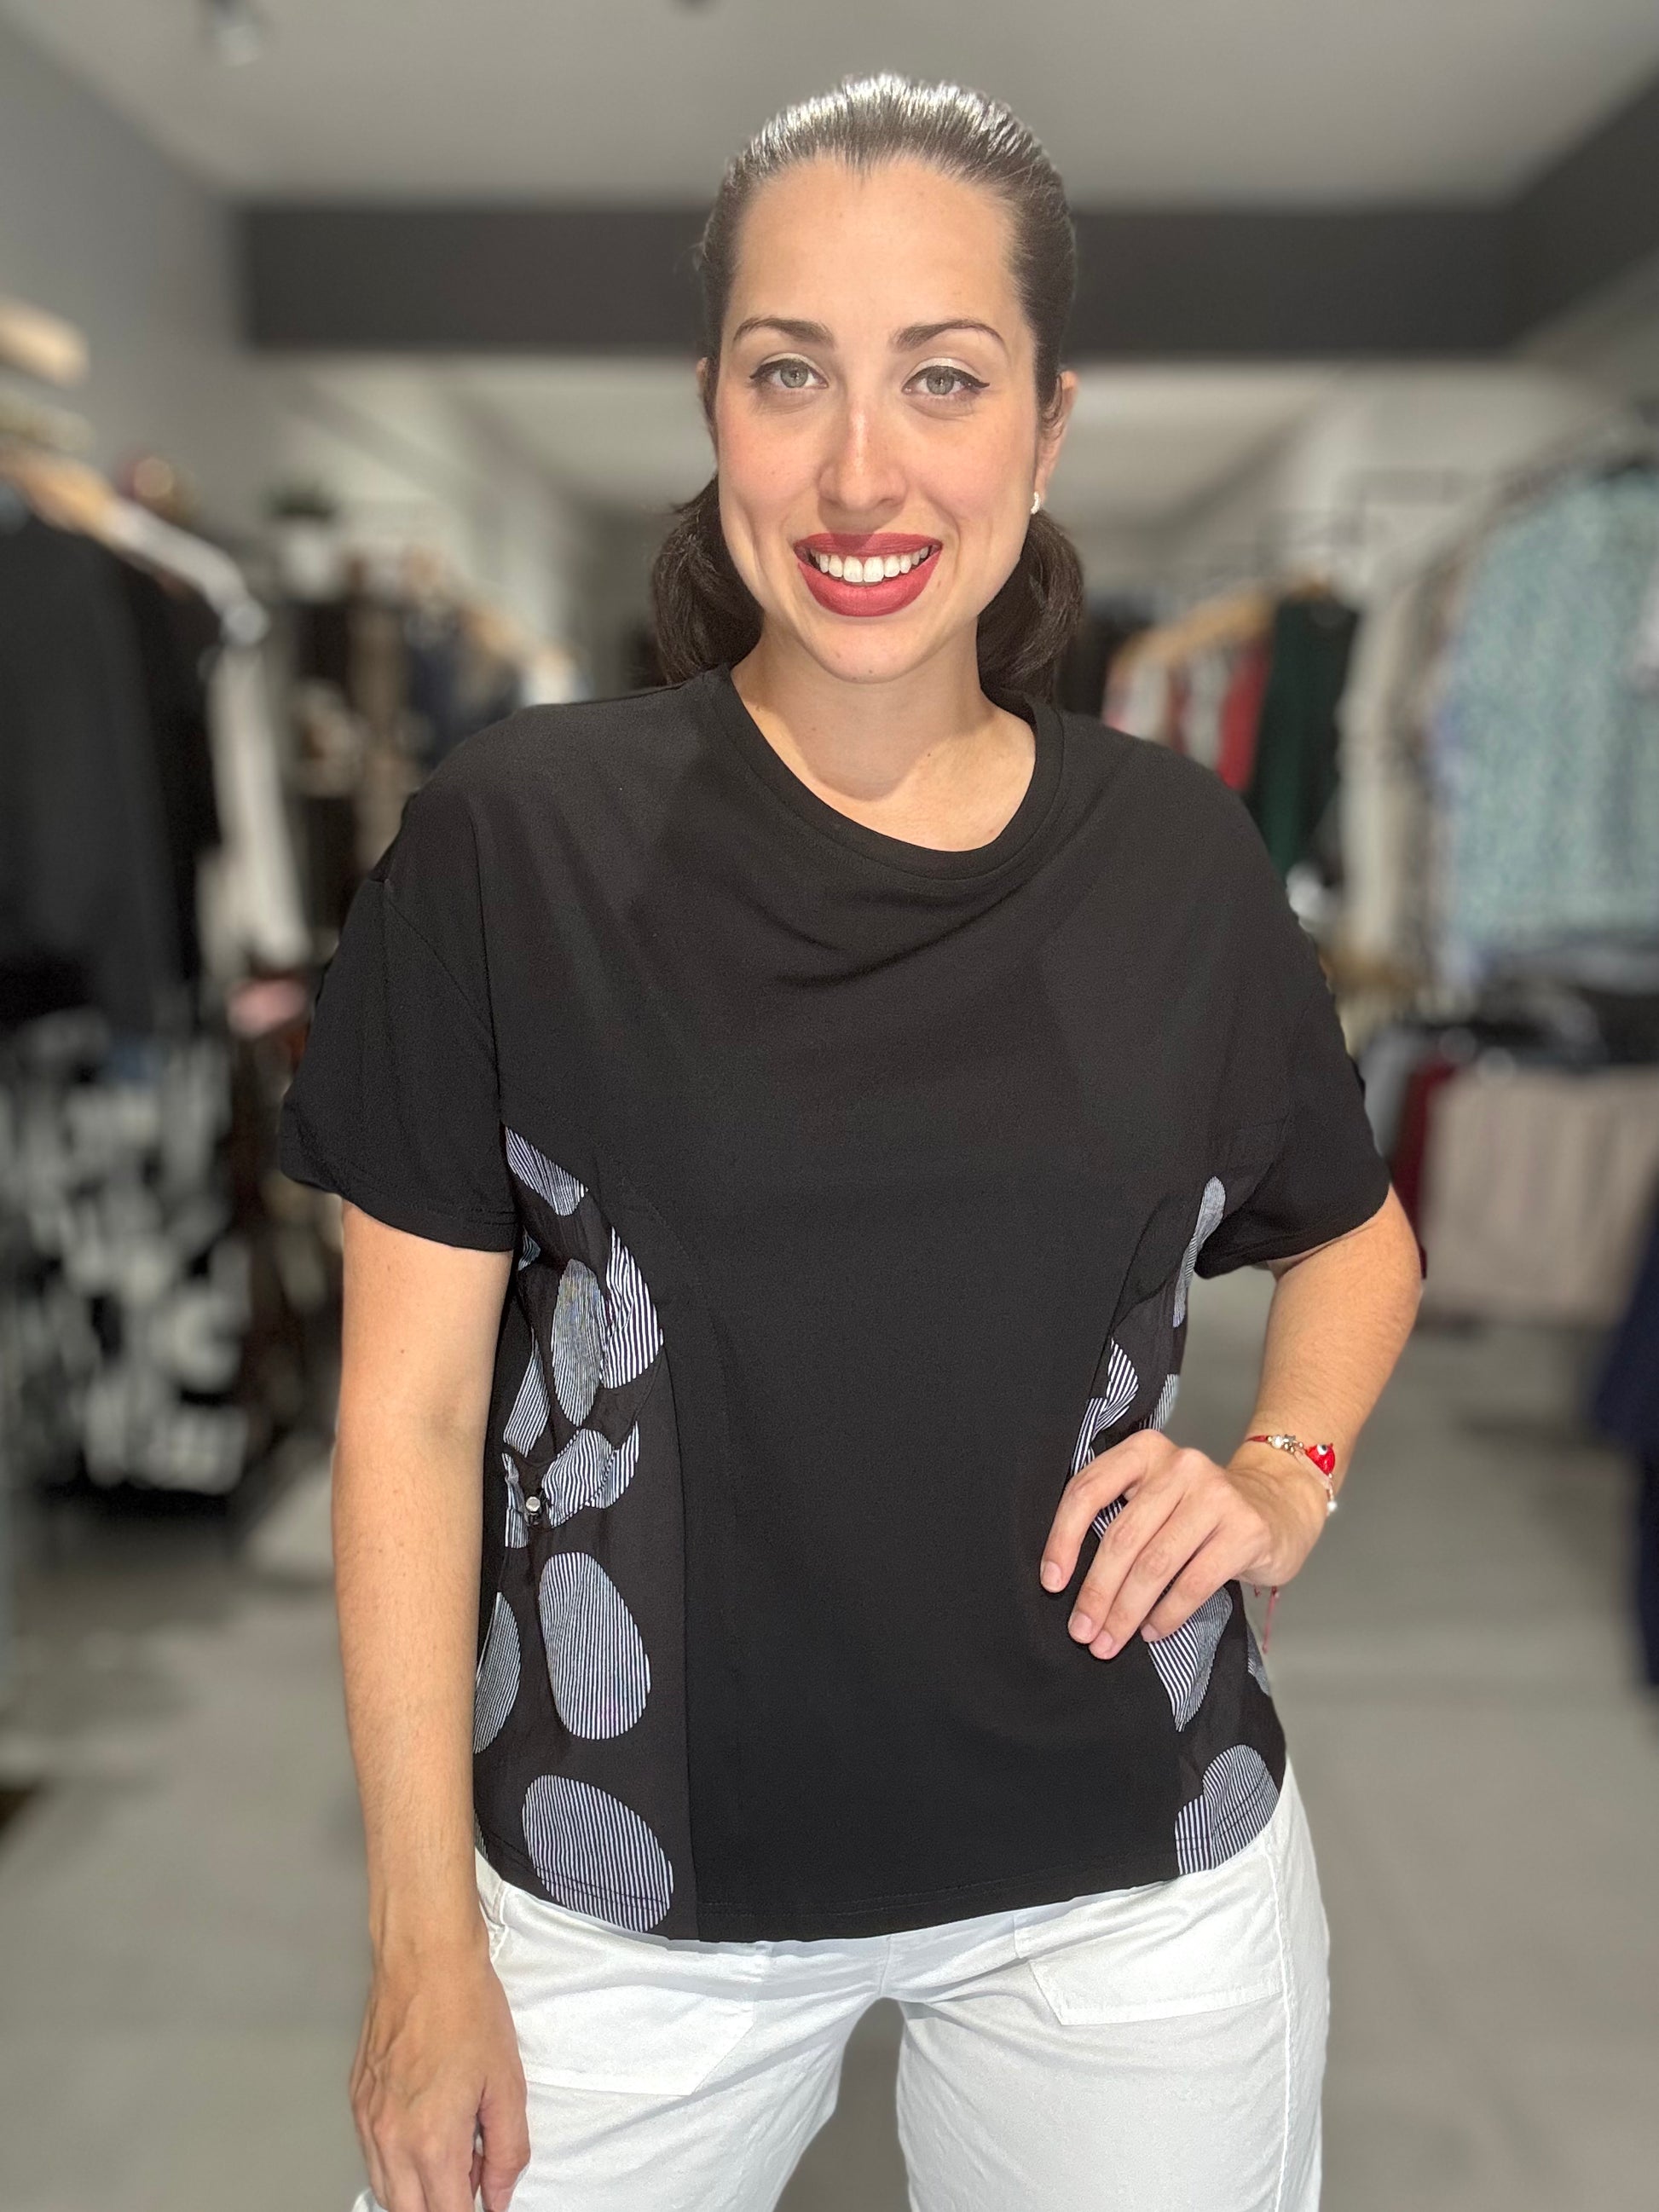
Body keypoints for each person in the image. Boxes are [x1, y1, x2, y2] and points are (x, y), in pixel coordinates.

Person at [279, 72, 1423, 2212]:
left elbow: (1351, 1236)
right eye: (789, 372)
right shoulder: (517, 844)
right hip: (621, 1881)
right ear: (712, 404)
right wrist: (422, 1941)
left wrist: (1283, 1472)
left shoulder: (1174, 858)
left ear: (1046, 428)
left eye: (943, 378)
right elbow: (409, 1416)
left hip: (1127, 1873)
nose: (861, 467)